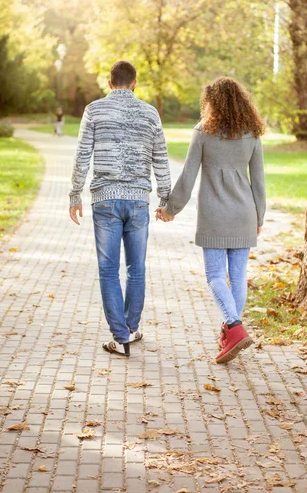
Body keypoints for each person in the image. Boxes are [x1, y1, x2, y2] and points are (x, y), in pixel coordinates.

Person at [156, 77, 266, 364]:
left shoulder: (203, 132)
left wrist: (171, 208)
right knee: (238, 276)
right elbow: (259, 181)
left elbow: (188, 176)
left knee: (216, 276)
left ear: (211, 102)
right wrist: (260, 215)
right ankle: (231, 331)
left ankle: (234, 327)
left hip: (215, 215)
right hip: (245, 213)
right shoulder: (252, 133)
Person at [69, 61, 171, 358]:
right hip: (139, 201)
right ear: (134, 83)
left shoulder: (94, 110)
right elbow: (161, 160)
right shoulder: (151, 113)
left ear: (110, 83)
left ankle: (120, 336)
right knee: (136, 268)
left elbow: (81, 156)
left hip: (105, 201)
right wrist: (165, 200)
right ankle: (130, 328)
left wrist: (74, 194)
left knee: (108, 269)